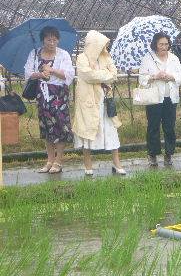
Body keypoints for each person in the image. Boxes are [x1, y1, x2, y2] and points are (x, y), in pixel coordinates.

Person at [73, 30, 126, 176]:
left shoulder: (105, 57)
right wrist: (104, 76)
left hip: (105, 101)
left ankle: (117, 163)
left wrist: (102, 76)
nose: (104, 47)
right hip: (88, 102)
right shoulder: (82, 58)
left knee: (111, 130)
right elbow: (87, 75)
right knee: (88, 131)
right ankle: (88, 166)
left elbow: (114, 74)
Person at [23, 26, 75, 174]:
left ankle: (59, 160)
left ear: (58, 40)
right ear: (43, 40)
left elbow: (68, 74)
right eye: (48, 39)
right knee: (46, 127)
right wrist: (40, 74)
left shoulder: (63, 54)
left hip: (58, 95)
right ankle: (49, 160)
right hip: (42, 94)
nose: (51, 42)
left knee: (60, 125)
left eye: (54, 39)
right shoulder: (34, 53)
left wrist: (52, 70)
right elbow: (28, 73)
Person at [138, 32, 181, 167]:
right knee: (153, 126)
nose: (164, 47)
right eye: (161, 44)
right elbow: (142, 79)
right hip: (154, 98)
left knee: (169, 126)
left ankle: (169, 153)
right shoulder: (148, 58)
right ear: (155, 45)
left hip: (170, 98)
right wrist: (155, 77)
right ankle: (152, 154)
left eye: (166, 44)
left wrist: (171, 77)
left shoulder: (174, 59)